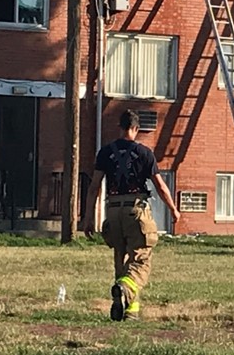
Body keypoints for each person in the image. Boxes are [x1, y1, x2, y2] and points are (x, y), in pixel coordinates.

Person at [81, 109, 180, 322]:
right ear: (136, 129)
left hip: (113, 210)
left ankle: (130, 310)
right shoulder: (145, 153)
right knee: (141, 258)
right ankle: (124, 288)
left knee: (121, 257)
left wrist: (88, 217)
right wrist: (173, 209)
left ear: (120, 127)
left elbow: (94, 187)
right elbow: (161, 187)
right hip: (136, 210)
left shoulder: (105, 152)